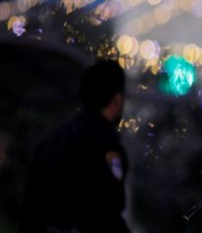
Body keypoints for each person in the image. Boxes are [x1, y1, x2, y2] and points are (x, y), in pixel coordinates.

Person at [20, 60, 130, 233]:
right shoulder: (105, 147)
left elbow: (31, 206)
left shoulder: (53, 140)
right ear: (116, 100)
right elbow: (105, 213)